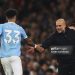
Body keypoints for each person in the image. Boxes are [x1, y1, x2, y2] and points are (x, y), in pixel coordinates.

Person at [0, 8, 36, 75]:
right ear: (15, 17)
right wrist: (35, 46)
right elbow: (28, 41)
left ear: (6, 17)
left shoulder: (1, 26)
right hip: (15, 56)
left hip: (4, 57)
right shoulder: (19, 28)